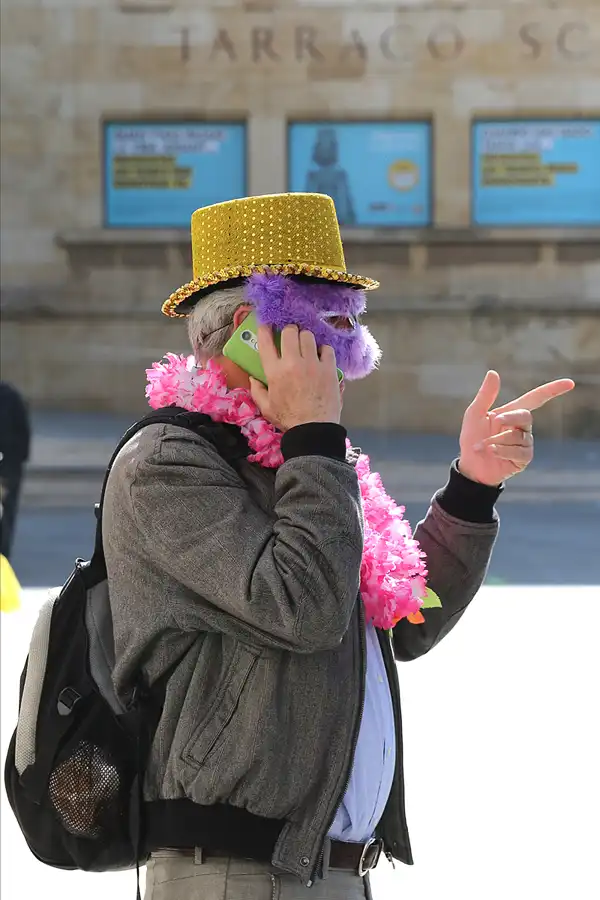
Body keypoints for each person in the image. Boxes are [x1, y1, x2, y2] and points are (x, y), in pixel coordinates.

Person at [102, 193, 574, 900]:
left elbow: (402, 622)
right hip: (231, 869)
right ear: (249, 330)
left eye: (352, 326)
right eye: (328, 324)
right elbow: (305, 607)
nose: (347, 354)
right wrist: (315, 439)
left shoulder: (301, 456)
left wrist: (472, 486)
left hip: (327, 868)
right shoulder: (169, 464)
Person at [0, 381, 31, 559]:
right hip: (9, 470)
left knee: (5, 523)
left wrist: (7, 476)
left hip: (7, 472)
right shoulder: (11, 397)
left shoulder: (10, 398)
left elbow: (22, 440)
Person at [305, 128, 356, 225]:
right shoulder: (312, 177)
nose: (326, 149)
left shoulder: (340, 176)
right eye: (322, 145)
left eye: (329, 145)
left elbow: (345, 211)